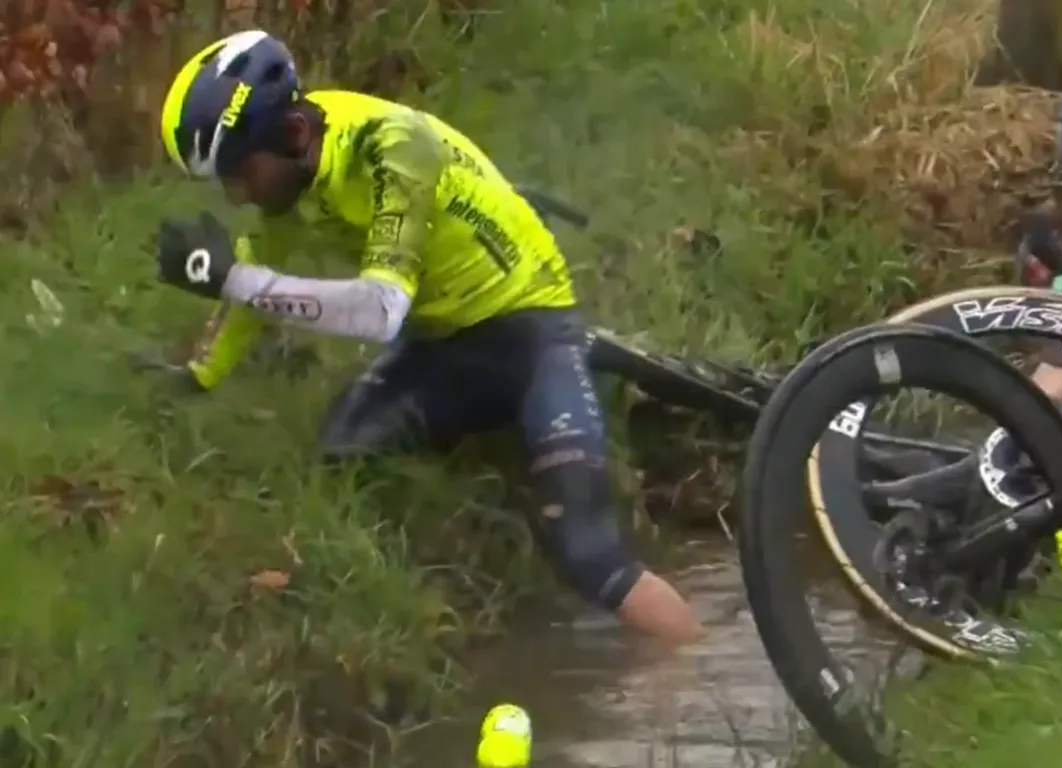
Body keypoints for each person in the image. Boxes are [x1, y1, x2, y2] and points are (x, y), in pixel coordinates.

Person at [153, 29, 702, 648]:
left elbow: (379, 311)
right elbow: (256, 277)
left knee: (586, 552)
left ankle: (690, 683)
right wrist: (199, 374)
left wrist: (236, 280)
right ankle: (473, 571)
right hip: (442, 344)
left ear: (292, 133)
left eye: (241, 173)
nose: (238, 195)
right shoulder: (293, 169)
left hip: (531, 331)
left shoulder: (392, 149)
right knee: (342, 458)